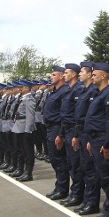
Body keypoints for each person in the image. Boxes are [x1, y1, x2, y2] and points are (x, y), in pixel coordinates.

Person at [84, 62, 109, 217]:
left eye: (95, 74)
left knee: (108, 178)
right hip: (95, 138)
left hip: (102, 140)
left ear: (104, 75)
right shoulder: (99, 93)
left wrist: (107, 144)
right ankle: (108, 210)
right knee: (101, 176)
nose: (92, 76)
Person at [73, 62, 101, 216]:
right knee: (84, 168)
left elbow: (92, 118)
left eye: (82, 72)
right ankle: (86, 200)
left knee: (91, 171)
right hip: (82, 133)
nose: (79, 75)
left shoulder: (93, 92)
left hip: (89, 134)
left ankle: (92, 203)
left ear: (90, 74)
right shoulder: (85, 91)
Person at [43, 66, 71, 200]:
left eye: (54, 75)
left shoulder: (64, 92)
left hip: (57, 128)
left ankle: (62, 189)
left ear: (61, 77)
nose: (51, 77)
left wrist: (60, 134)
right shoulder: (54, 91)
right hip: (50, 128)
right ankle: (59, 186)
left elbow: (63, 115)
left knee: (59, 160)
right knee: (54, 160)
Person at [59, 63, 84, 207]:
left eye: (67, 73)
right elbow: (65, 115)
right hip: (67, 130)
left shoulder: (78, 90)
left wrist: (75, 135)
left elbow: (77, 115)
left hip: (74, 131)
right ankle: (74, 193)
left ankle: (77, 195)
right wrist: (61, 133)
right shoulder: (68, 90)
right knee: (71, 163)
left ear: (74, 74)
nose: (64, 75)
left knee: (76, 165)